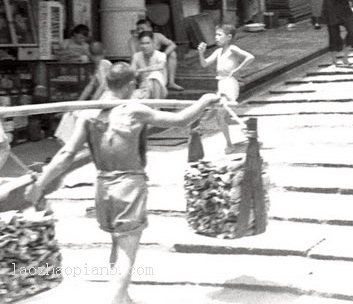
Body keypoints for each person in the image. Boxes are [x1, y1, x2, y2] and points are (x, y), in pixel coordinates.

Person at [26, 62, 221, 304]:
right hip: (129, 185)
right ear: (130, 85)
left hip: (103, 187)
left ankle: (124, 298)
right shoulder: (134, 111)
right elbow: (180, 120)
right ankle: (115, 299)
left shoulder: (89, 114)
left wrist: (40, 183)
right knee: (127, 252)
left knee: (118, 245)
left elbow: (66, 154)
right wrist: (204, 100)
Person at [197, 24, 254, 153]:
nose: (216, 37)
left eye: (219, 35)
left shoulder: (232, 48)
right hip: (221, 83)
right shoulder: (218, 52)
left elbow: (250, 57)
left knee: (220, 113)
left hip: (230, 84)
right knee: (223, 116)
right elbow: (204, 63)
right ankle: (245, 125)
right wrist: (200, 53)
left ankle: (229, 143)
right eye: (216, 35)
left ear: (228, 37)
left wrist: (237, 70)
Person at [54, 42, 113, 144]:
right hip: (99, 102)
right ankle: (66, 142)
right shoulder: (98, 66)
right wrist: (78, 104)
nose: (95, 58)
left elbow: (103, 87)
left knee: (77, 115)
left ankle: (70, 143)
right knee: (70, 114)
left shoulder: (105, 63)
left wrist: (90, 104)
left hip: (107, 102)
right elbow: (90, 86)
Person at [127, 18, 183, 91]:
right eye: (138, 29)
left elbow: (172, 45)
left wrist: (163, 55)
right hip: (141, 64)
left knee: (172, 54)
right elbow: (134, 58)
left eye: (142, 28)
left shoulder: (158, 36)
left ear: (150, 29)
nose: (140, 31)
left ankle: (171, 82)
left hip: (156, 62)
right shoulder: (133, 41)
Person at [130, 31, 168, 99]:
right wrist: (134, 73)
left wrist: (141, 70)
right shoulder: (136, 56)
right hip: (143, 90)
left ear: (153, 43)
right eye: (142, 43)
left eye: (147, 43)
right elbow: (132, 72)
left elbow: (161, 66)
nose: (145, 46)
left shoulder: (161, 55)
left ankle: (157, 107)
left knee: (156, 75)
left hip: (160, 90)